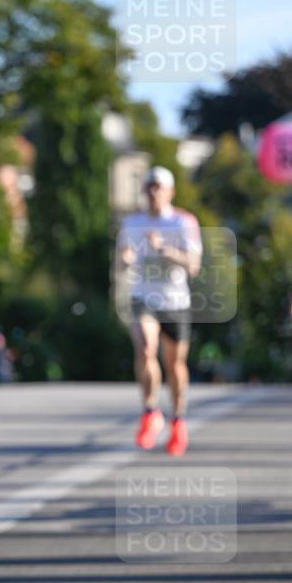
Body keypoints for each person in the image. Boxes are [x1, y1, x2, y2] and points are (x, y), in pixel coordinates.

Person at [118, 166, 202, 456]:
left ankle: (178, 420)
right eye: (149, 187)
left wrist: (165, 249)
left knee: (175, 365)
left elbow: (194, 265)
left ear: (171, 191)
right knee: (145, 348)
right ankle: (151, 411)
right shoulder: (132, 222)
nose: (153, 192)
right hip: (144, 298)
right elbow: (122, 258)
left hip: (175, 301)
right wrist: (126, 259)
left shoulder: (183, 222)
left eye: (159, 187)